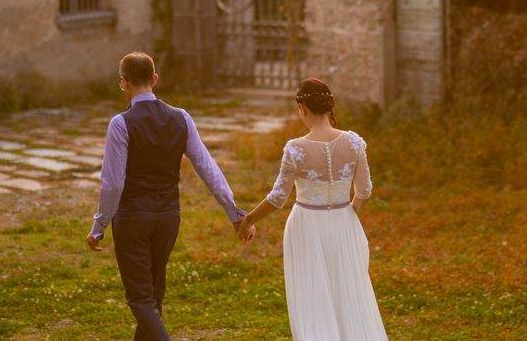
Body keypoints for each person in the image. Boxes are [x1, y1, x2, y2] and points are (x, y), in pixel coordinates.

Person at [86, 52, 253, 341]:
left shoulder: (120, 124)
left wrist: (99, 227)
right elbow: (208, 168)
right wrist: (235, 214)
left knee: (140, 299)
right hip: (168, 217)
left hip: (133, 218)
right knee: (153, 296)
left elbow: (113, 184)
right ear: (155, 79)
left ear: (123, 83)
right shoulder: (181, 118)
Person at [238, 78, 389, 341]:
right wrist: (349, 212)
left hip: (306, 225)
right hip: (344, 221)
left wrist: (248, 219)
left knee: (311, 295)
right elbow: (364, 190)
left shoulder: (296, 148)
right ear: (329, 107)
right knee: (348, 292)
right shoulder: (354, 143)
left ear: (302, 107)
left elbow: (278, 198)